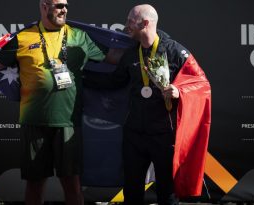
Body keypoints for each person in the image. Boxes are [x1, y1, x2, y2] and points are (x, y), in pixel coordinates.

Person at [0, 0, 121, 204]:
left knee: (72, 185)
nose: (64, 9)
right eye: (59, 5)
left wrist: (139, 44)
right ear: (44, 6)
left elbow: (112, 57)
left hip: (68, 123)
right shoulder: (23, 37)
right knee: (34, 185)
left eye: (66, 5)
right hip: (34, 123)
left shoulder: (80, 36)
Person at [83, 4, 211, 205]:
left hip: (164, 136)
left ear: (145, 23)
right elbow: (113, 82)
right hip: (134, 135)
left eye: (130, 21)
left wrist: (180, 91)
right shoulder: (131, 53)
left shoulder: (175, 51)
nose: (126, 26)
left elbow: (201, 84)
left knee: (166, 195)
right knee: (132, 193)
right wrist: (79, 76)